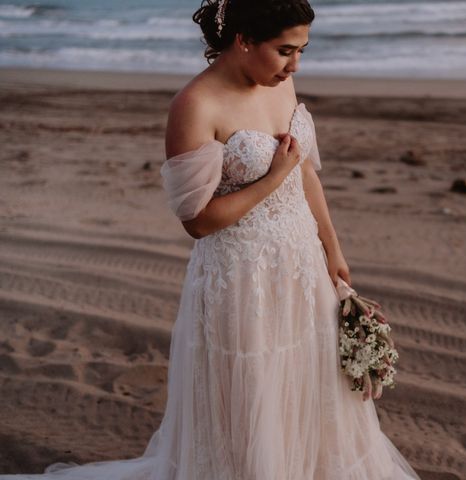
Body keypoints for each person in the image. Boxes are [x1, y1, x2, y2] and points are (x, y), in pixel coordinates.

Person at [0, 1, 421, 479]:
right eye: (284, 50)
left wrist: (334, 250)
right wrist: (270, 179)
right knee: (250, 397)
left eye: (302, 50)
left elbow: (304, 173)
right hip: (240, 280)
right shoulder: (195, 105)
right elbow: (197, 221)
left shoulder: (280, 83)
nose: (295, 64)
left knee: (306, 385)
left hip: (301, 266)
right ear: (243, 39)